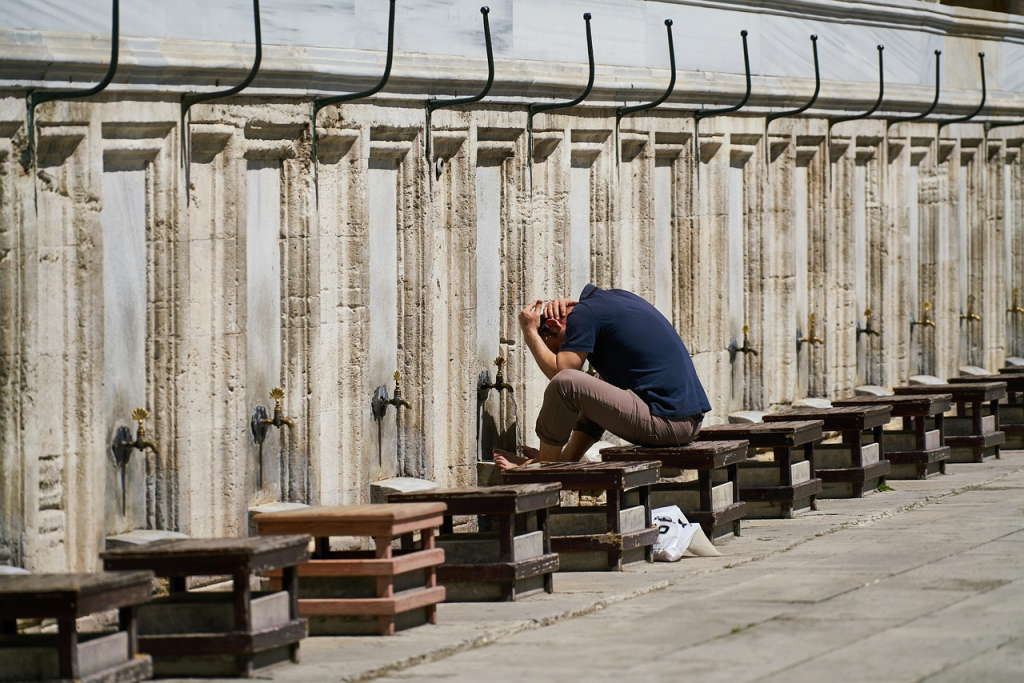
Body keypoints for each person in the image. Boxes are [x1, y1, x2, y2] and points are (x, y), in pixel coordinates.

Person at [495, 283, 711, 470]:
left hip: (668, 423)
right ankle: (565, 460)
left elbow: (561, 372)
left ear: (553, 325)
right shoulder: (609, 301)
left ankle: (545, 466)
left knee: (566, 383)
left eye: (556, 347)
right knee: (595, 384)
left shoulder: (584, 315)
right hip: (686, 422)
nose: (562, 351)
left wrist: (530, 331)